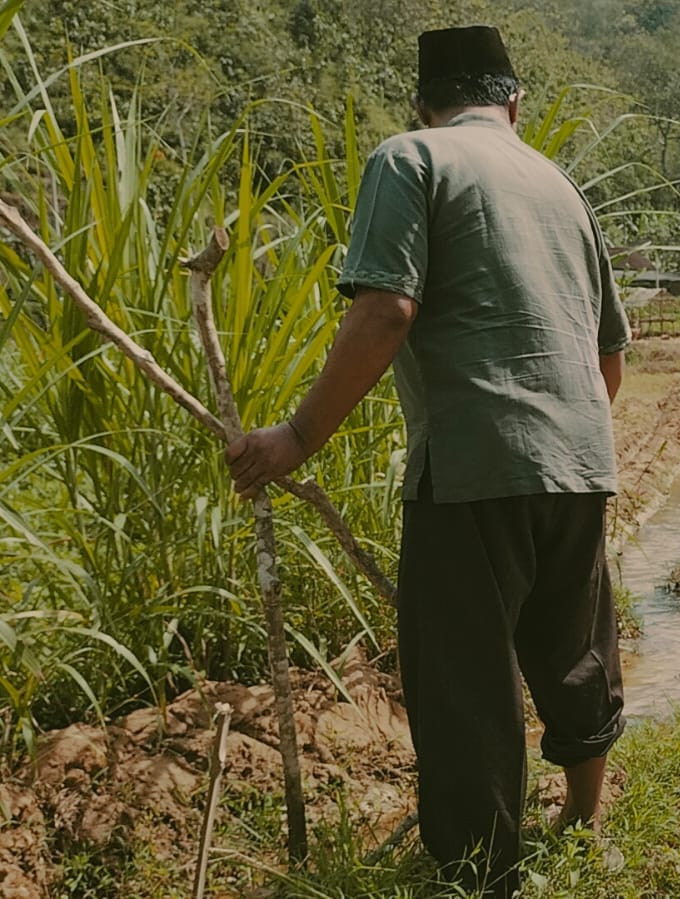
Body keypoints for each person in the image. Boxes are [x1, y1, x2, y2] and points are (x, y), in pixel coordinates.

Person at [224, 26, 626, 896]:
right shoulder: (560, 183)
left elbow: (387, 311)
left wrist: (295, 436)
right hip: (582, 455)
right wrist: (565, 438)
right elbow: (609, 359)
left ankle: (480, 877)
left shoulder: (410, 157)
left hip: (475, 460)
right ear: (514, 101)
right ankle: (584, 817)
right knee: (573, 642)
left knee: (462, 682)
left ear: (424, 102)